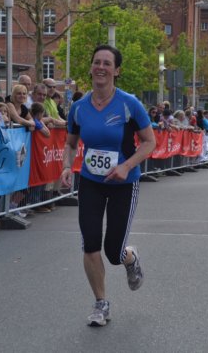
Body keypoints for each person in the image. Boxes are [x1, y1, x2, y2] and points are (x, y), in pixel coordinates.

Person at [59, 45, 156, 327]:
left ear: (116, 70)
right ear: (91, 68)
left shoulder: (129, 104)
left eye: (107, 63)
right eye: (97, 62)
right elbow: (70, 144)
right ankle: (101, 303)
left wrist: (126, 166)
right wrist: (66, 166)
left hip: (124, 183)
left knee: (113, 251)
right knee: (90, 244)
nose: (100, 67)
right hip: (91, 181)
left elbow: (149, 142)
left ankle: (130, 257)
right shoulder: (79, 107)